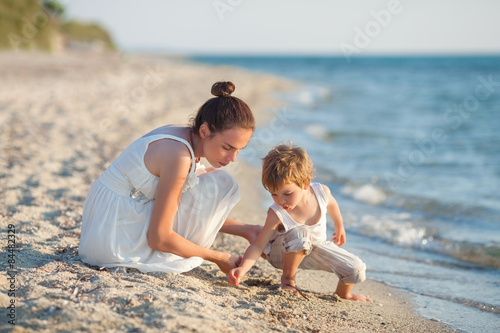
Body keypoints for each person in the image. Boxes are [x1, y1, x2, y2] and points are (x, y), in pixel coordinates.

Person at [79, 81, 261, 274]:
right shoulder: (178, 156)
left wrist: (247, 230)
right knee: (221, 184)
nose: (233, 158)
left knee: (211, 180)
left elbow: (184, 205)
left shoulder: (185, 135)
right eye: (227, 148)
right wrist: (216, 257)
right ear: (204, 131)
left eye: (239, 150)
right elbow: (159, 238)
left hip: (105, 221)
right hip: (112, 238)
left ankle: (249, 230)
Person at [227, 144, 372, 301]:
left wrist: (339, 225)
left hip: (314, 249)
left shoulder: (321, 192)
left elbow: (332, 204)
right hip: (281, 254)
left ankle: (343, 294)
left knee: (356, 269)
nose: (281, 200)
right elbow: (257, 246)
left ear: (306, 183)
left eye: (287, 193)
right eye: (274, 194)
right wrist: (242, 269)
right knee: (300, 232)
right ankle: (288, 280)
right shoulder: (277, 212)